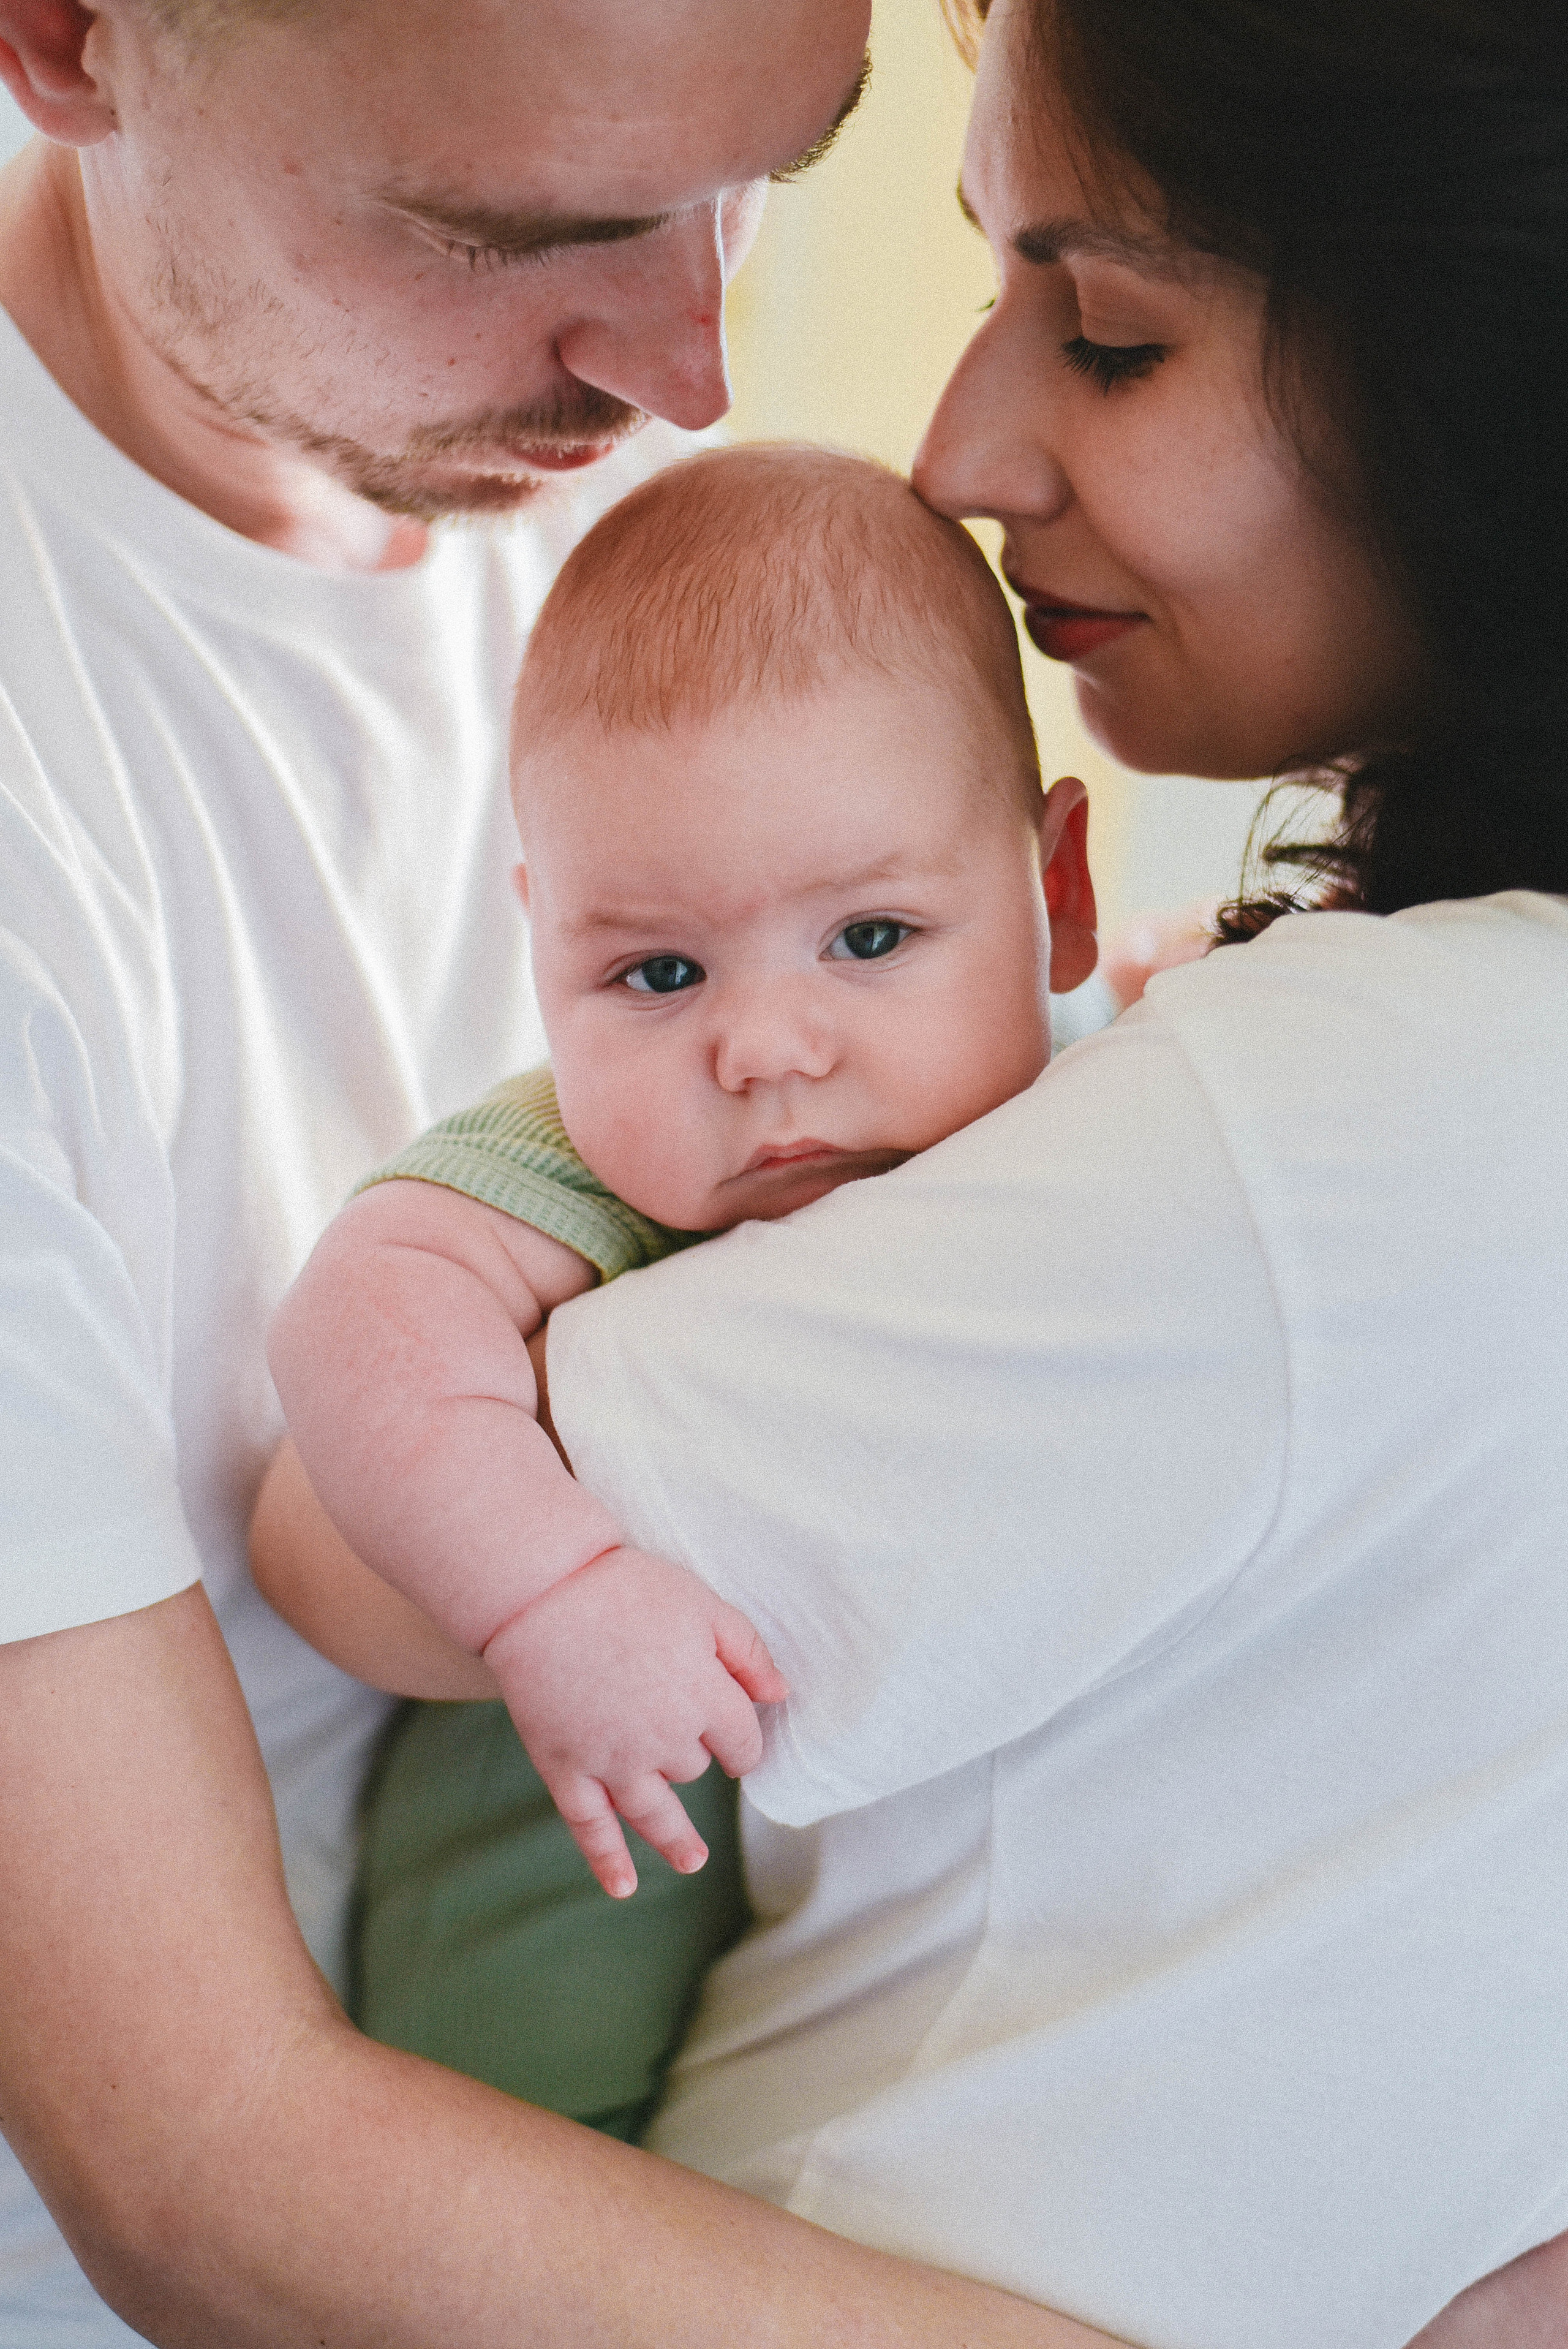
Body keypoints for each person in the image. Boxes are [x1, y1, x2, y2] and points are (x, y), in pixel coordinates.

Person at [0, 0, 1554, 2343]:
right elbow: (199, 2165)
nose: (698, 369)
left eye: (772, 180)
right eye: (535, 225)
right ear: (66, 35)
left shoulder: (709, 561)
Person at [514, 0, 1568, 2342]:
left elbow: (381, 1565)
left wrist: (483, 1195)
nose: (961, 449)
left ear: (1488, 366)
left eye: (1104, 338)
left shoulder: (1344, 1105)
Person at [250, 440, 1094, 2120]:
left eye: (869, 937)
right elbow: (361, 1311)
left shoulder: (1104, 1107)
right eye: (655, 969)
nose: (767, 1048)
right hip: (577, 1800)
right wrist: (553, 1593)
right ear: (543, 947)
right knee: (519, 2105)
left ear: (1053, 892)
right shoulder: (576, 1156)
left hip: (901, 1867)